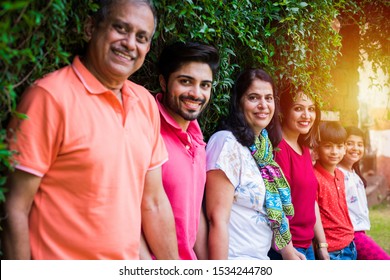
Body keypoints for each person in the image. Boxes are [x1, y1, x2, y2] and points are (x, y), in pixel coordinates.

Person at [2, 0, 179, 260]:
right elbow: (13, 207)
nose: (130, 43)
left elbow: (153, 202)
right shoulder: (49, 97)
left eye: (142, 37)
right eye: (120, 28)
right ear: (90, 28)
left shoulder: (145, 103)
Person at [205, 68, 305, 260]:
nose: (263, 105)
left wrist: (289, 251)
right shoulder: (227, 144)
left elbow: (270, 208)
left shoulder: (263, 149)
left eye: (268, 98)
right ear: (238, 103)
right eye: (253, 98)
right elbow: (216, 220)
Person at [141, 41, 220, 260]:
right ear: (163, 82)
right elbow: (127, 211)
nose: (196, 94)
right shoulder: (146, 127)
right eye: (186, 82)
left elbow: (194, 214)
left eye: (205, 85)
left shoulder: (198, 139)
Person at [268, 83, 329, 260]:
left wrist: (322, 245)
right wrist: (288, 251)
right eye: (298, 109)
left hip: (307, 245)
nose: (306, 115)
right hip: (287, 250)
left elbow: (311, 201)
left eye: (311, 109)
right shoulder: (279, 150)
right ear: (284, 111)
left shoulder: (305, 150)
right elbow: (276, 206)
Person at [338, 126, 390, 260]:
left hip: (360, 233)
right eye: (349, 143)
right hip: (351, 235)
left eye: (359, 144)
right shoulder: (337, 174)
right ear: (341, 145)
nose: (355, 148)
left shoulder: (354, 174)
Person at [313, 121, 357, 260]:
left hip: (349, 243)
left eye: (339, 146)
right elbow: (313, 215)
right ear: (317, 149)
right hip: (332, 250)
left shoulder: (340, 174)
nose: (334, 151)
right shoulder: (314, 177)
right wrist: (322, 246)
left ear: (344, 149)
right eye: (328, 146)